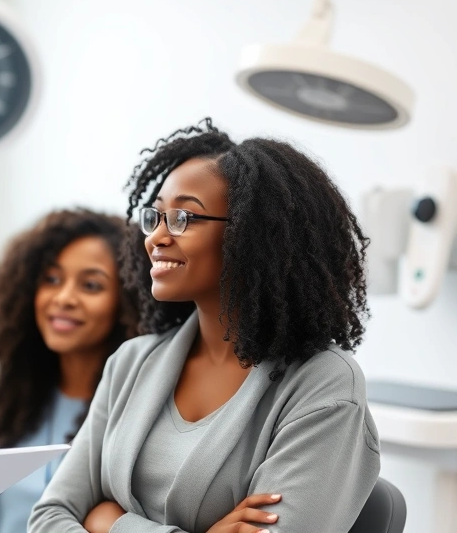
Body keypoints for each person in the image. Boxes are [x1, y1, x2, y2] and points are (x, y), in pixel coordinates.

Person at [28, 119, 380, 533]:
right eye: (156, 216)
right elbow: (48, 519)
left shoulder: (322, 385)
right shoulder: (132, 362)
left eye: (183, 218)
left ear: (254, 234)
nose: (156, 237)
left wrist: (108, 522)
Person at [0, 208, 140, 533]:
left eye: (90, 285)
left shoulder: (137, 414)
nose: (64, 298)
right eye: (52, 279)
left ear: (126, 300)